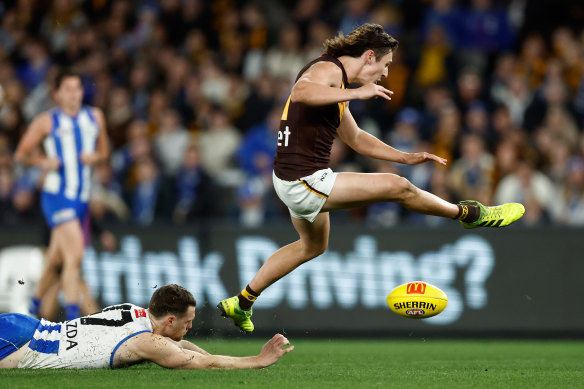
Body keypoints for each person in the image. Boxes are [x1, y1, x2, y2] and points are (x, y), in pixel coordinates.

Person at [217, 23, 525, 332]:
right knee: (398, 187)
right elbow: (300, 92)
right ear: (368, 57)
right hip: (304, 181)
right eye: (386, 64)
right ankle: (470, 214)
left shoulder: (336, 81)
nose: (386, 73)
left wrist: (404, 156)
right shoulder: (330, 71)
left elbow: (355, 138)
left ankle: (242, 302)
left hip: (293, 178)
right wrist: (358, 91)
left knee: (312, 247)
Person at [0, 284, 293, 369]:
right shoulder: (145, 342)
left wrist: (198, 350)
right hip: (25, 346)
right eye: (187, 323)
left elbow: (182, 346)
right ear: (169, 320)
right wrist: (258, 360)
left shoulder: (133, 311)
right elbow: (204, 364)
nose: (189, 328)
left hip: (26, 326)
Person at [14, 69, 110, 321]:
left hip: (81, 198)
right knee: (74, 256)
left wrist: (95, 157)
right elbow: (21, 154)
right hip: (57, 196)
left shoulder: (94, 116)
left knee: (55, 259)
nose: (73, 94)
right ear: (57, 94)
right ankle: (73, 320)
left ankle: (32, 308)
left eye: (77, 89)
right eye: (67, 89)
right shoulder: (47, 121)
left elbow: (105, 151)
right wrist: (42, 162)